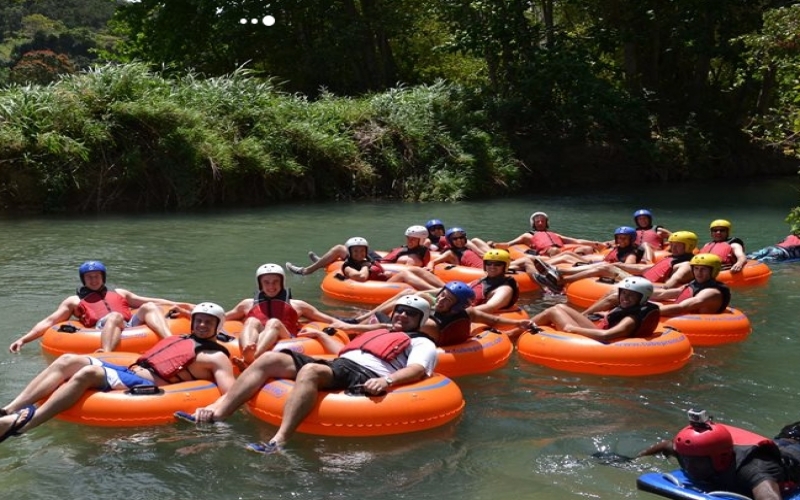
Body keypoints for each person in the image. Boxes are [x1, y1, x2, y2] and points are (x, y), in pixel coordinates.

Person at [177, 295, 438, 453]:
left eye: (410, 314)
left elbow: (417, 369)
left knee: (311, 370)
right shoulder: (380, 331)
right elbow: (344, 351)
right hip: (341, 364)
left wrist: (386, 380)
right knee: (268, 358)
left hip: (364, 373)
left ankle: (279, 441)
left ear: (421, 319)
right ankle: (220, 414)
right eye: (400, 310)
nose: (402, 315)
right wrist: (321, 336)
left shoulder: (421, 342)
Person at [0, 302, 236, 444]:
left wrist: (211, 410)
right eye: (198, 320)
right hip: (128, 371)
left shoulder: (216, 357)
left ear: (218, 326)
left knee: (88, 372)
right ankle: (10, 409)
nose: (201, 325)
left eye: (208, 322)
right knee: (68, 359)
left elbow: (231, 393)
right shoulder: (181, 338)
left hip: (145, 384)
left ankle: (24, 424)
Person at [8, 260, 193, 354]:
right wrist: (24, 340)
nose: (93, 280)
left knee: (150, 306)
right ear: (83, 280)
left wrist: (181, 305)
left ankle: (171, 341)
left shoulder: (120, 293)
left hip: (129, 325)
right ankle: (107, 353)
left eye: (97, 276)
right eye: (89, 277)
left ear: (103, 277)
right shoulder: (74, 301)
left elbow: (151, 301)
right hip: (100, 328)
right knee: (115, 317)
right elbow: (50, 321)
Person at [638, 409, 800, 500]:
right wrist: (635, 459)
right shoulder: (688, 451)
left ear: (720, 458)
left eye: (697, 462)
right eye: (686, 459)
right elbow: (666, 445)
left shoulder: (753, 468)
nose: (689, 467)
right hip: (784, 441)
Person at [226, 264, 341, 368]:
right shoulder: (247, 304)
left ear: (282, 282)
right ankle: (247, 353)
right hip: (260, 336)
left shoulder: (298, 305)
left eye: (275, 282)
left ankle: (253, 358)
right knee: (251, 320)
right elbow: (222, 318)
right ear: (260, 284)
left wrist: (348, 326)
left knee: (273, 322)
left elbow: (329, 320)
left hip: (286, 338)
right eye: (266, 282)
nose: (271, 286)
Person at [576, 231, 699, 315]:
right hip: (644, 282)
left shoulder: (686, 264)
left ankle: (584, 316)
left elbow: (668, 287)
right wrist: (622, 266)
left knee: (615, 291)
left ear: (688, 247)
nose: (673, 248)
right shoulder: (672, 258)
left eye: (677, 245)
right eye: (672, 244)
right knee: (611, 273)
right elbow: (648, 270)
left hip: (648, 286)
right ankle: (589, 315)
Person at [527, 226, 652, 294]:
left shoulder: (631, 254)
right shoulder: (619, 247)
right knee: (568, 255)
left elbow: (626, 267)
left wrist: (607, 264)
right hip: (603, 266)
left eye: (624, 238)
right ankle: (551, 269)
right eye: (619, 238)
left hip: (613, 272)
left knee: (601, 265)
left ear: (631, 239)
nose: (621, 240)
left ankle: (558, 274)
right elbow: (607, 249)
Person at [530, 277, 660, 341]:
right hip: (598, 329)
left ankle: (520, 329)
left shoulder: (631, 319)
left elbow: (606, 335)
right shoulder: (638, 308)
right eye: (624, 293)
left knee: (553, 311)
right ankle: (525, 326)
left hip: (596, 339)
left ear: (642, 298)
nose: (625, 298)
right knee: (560, 306)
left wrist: (572, 328)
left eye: (632, 295)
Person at [477, 211, 603, 258]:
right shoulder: (528, 235)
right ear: (534, 224)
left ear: (547, 223)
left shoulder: (553, 234)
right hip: (547, 253)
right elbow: (509, 245)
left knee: (587, 249)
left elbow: (576, 241)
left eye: (543, 221)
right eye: (538, 221)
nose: (541, 223)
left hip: (562, 251)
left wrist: (598, 244)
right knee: (554, 250)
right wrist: (494, 244)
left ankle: (581, 262)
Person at [655, 253, 731, 317]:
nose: (699, 273)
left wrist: (650, 311)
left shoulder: (711, 293)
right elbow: (663, 293)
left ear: (714, 271)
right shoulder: (694, 284)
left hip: (699, 326)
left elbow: (680, 308)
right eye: (696, 268)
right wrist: (647, 294)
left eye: (703, 269)